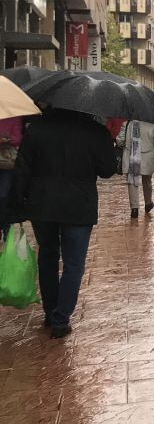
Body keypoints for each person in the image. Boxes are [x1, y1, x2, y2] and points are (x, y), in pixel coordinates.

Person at [11, 107, 116, 338]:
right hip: (78, 206)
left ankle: (50, 312)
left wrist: (17, 202)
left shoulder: (37, 129)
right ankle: (61, 319)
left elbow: (22, 167)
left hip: (42, 204)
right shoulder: (95, 132)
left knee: (47, 255)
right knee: (73, 264)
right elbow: (108, 170)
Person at [121, 120, 154, 218]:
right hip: (147, 158)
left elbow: (120, 140)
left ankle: (134, 208)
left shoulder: (128, 124)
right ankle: (148, 203)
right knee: (147, 181)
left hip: (131, 156)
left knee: (132, 182)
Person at [0, 115, 24, 236]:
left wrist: (6, 139)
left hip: (6, 164)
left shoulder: (13, 118)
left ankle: (5, 225)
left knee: (4, 195)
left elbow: (17, 138)